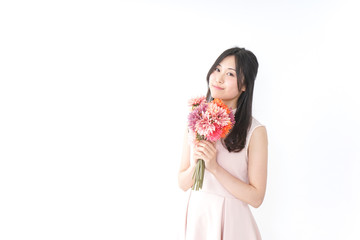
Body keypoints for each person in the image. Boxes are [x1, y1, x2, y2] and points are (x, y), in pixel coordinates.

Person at [178, 47, 268, 240]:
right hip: (198, 217)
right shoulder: (197, 120)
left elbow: (256, 197)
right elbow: (183, 183)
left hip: (233, 224)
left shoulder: (255, 131)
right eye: (217, 69)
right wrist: (196, 165)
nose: (218, 78)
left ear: (245, 85)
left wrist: (214, 168)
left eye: (230, 74)